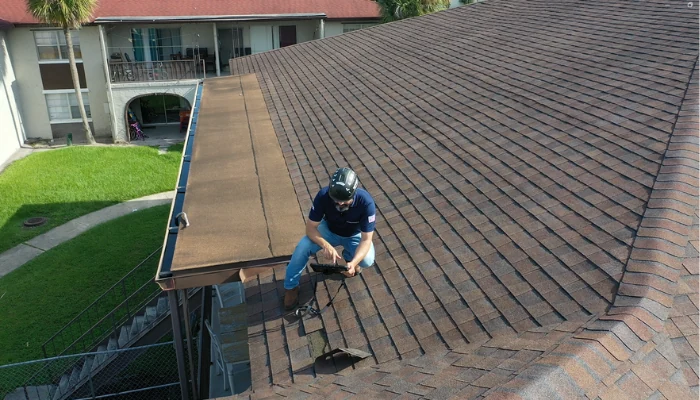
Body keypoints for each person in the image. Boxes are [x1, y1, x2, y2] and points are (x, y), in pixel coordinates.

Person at [284, 167, 376, 310]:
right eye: (336, 200)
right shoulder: (323, 196)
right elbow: (310, 228)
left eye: (345, 201)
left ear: (354, 193)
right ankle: (291, 286)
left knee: (367, 260)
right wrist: (326, 245)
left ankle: (349, 257)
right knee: (302, 247)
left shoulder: (366, 203)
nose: (339, 204)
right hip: (329, 230)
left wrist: (354, 262)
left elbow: (366, 240)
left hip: (354, 235)